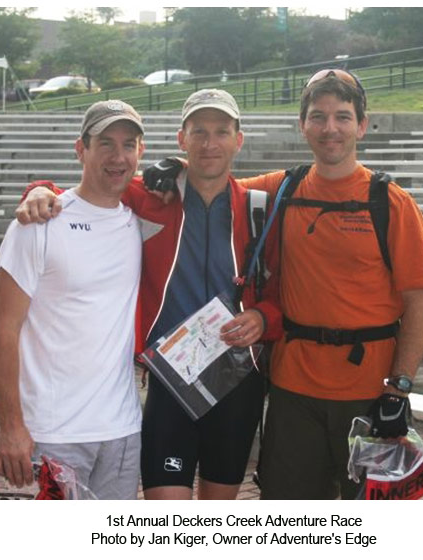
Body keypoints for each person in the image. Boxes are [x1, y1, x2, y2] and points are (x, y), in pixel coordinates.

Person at [142, 70, 423, 500]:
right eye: (318, 116)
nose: (330, 128)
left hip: (367, 392)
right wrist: (176, 168)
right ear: (303, 125)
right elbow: (215, 180)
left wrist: (400, 386)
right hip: (292, 393)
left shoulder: (390, 202)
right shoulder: (282, 189)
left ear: (362, 125)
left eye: (342, 116)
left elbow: (421, 302)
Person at [14, 89, 282, 500]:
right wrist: (39, 189)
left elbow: (279, 295)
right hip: (170, 383)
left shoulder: (256, 209)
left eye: (221, 132)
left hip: (235, 383)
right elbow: (87, 189)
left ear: (238, 140)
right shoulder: (151, 197)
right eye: (198, 132)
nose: (209, 143)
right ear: (181, 139)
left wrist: (263, 318)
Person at [0, 100, 146, 499]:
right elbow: (3, 329)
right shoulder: (38, 223)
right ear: (81, 149)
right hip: (49, 434)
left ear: (140, 152)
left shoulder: (139, 222)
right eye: (105, 143)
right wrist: (11, 427)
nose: (118, 156)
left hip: (122, 431)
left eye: (128, 144)